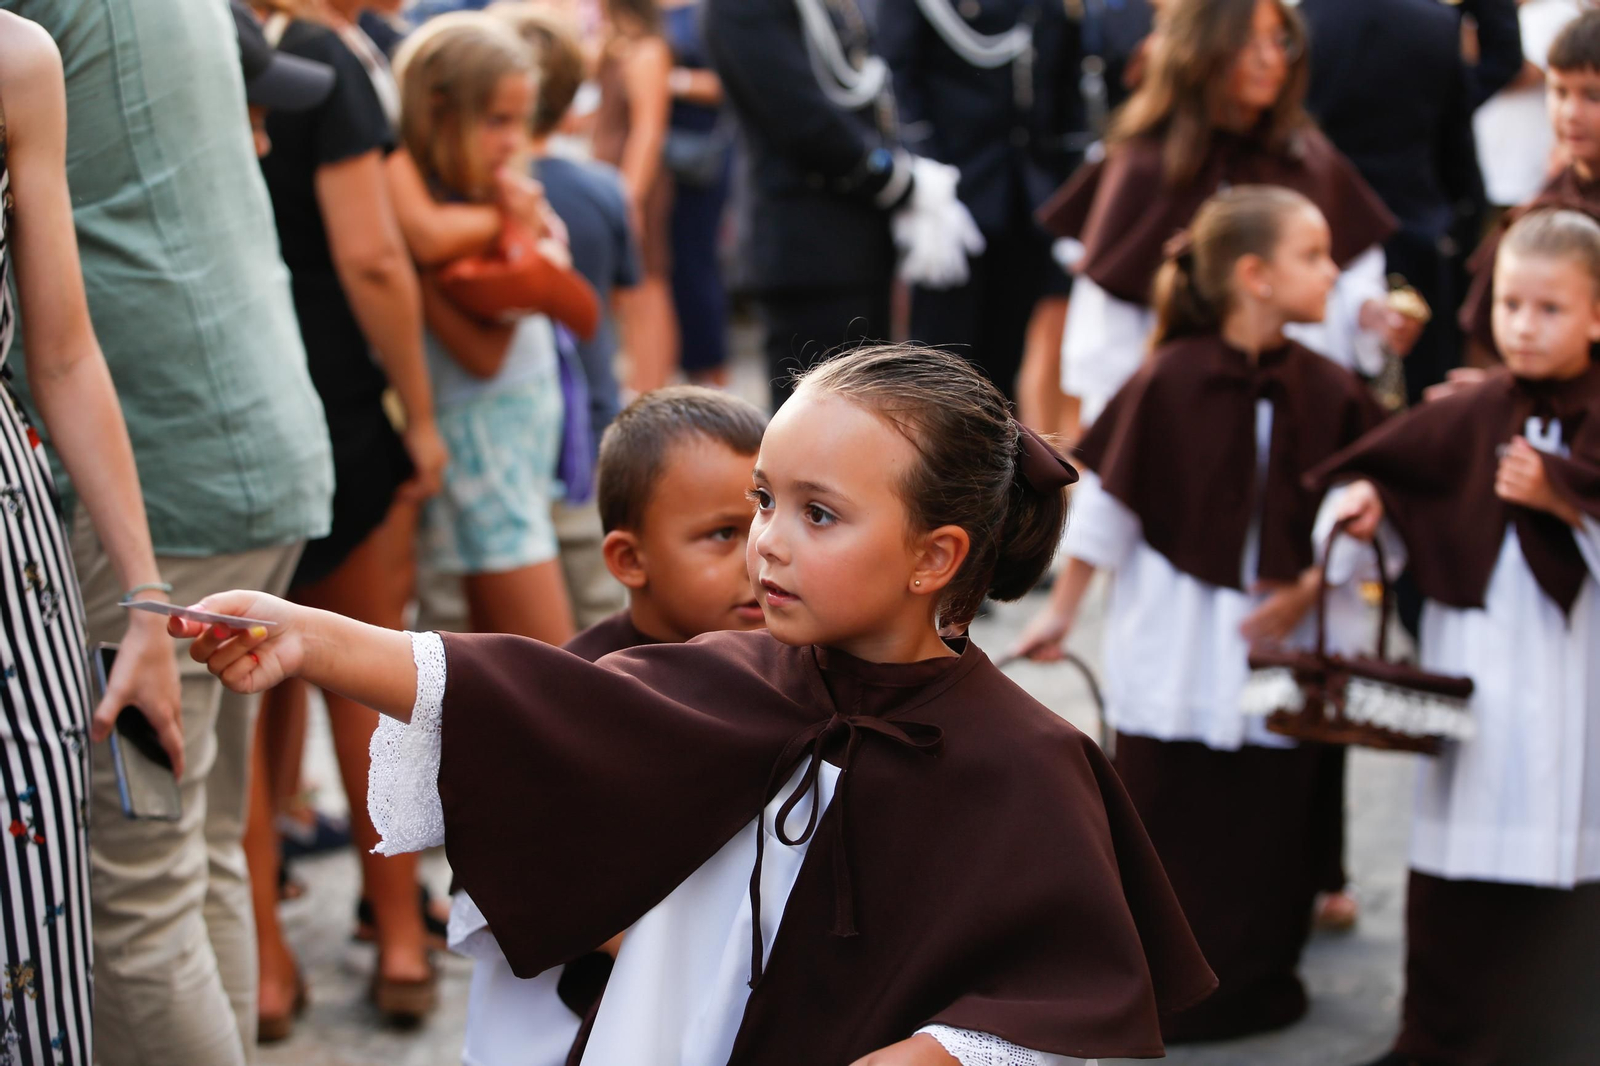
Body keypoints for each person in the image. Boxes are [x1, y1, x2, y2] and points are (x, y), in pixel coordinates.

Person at [180, 344, 1216, 1066]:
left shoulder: (1025, 758)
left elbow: (1045, 995)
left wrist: (923, 1053)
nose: (768, 539)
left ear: (934, 556)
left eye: (818, 513)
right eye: (766, 499)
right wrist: (310, 634)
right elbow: (535, 701)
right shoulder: (735, 674)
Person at [0, 1, 336, 1061]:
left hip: (163, 489)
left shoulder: (33, 40)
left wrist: (143, 588)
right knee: (196, 856)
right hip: (241, 459)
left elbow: (65, 346)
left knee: (135, 882)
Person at [1015, 186, 1387, 1041]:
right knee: (1170, 813)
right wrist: (1063, 615)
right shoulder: (1165, 380)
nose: (1333, 272)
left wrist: (1304, 587)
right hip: (1176, 640)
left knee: (1266, 817)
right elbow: (1109, 510)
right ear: (1254, 276)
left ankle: (1256, 980)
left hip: (1277, 644)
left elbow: (1367, 503)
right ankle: (1161, 990)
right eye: (1314, 256)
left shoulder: (1328, 385)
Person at [1313, 209, 1600, 1066]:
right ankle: (1446, 1034)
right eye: (1510, 303)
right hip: (1473, 669)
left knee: (1567, 848)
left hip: (1574, 672)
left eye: (1549, 308)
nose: (1523, 324)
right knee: (1461, 855)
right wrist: (1367, 513)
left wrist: (1566, 501)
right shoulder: (1470, 413)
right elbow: (1393, 478)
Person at [452, 384, 767, 1066]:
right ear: (629, 560)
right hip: (578, 1015)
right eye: (722, 534)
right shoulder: (570, 695)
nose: (758, 558)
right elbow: (505, 864)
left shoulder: (795, 667)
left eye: (771, 519)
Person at [243, 0, 447, 1035]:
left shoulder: (176, 45)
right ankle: (403, 938)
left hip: (209, 402)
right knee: (365, 684)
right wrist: (415, 412)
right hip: (326, 400)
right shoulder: (321, 60)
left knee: (242, 693)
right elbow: (372, 259)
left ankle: (267, 966)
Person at [0, 11, 187, 1063]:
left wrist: (145, 597)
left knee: (29, 922)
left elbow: (63, 354)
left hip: (7, 555)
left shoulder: (16, 59)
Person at [1037, 0, 1408, 428]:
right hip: (1180, 417)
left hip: (1294, 408)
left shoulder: (1306, 156)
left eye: (1279, 41)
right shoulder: (1144, 165)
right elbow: (1110, 318)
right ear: (1202, 49)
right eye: (1247, 43)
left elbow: (1353, 271)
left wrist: (1369, 312)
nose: (1269, 59)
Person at [387, 12, 578, 645]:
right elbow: (484, 354)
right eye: (496, 120)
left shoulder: (481, 199)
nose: (512, 140)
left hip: (508, 432)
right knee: (543, 658)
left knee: (518, 655)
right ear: (439, 112)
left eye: (521, 122)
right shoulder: (436, 203)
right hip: (484, 429)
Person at [703, 0, 983, 408]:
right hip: (805, 247)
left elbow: (870, 91)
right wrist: (897, 182)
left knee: (868, 414)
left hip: (858, 239)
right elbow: (801, 119)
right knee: (813, 429)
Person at [1299, 0, 1522, 405]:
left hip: (1321, 228)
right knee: (1420, 399)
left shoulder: (1304, 19)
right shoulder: (1434, 21)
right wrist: (1459, 218)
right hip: (1414, 223)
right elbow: (1456, 141)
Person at [494, 3, 637, 628]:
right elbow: (620, 302)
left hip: (518, 440)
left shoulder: (484, 197)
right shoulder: (602, 187)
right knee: (602, 610)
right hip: (595, 425)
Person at [876, 0, 1087, 401]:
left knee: (1003, 364)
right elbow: (898, 79)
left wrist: (1068, 191)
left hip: (1026, 196)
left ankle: (993, 460)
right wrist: (925, 179)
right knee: (939, 365)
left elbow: (1062, 87)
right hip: (950, 198)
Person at [1461, 10, 1600, 364]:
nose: (1570, 112)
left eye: (1592, 96)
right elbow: (1484, 339)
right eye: (1559, 92)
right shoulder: (1541, 206)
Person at [594, 0, 678, 395]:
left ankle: (652, 389)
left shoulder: (647, 50)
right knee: (629, 294)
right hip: (612, 179)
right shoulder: (614, 45)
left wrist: (629, 196)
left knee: (647, 287)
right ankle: (641, 384)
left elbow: (649, 130)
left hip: (635, 185)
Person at [662, 0, 734, 386]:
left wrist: (671, 80)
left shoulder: (706, 13)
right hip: (665, 161)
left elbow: (729, 80)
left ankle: (711, 370)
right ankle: (690, 367)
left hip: (701, 159)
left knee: (697, 266)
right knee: (671, 270)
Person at [1474, 0, 1583, 213]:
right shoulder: (1507, 12)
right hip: (1489, 169)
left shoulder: (1559, 11)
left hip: (1529, 175)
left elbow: (1520, 74)